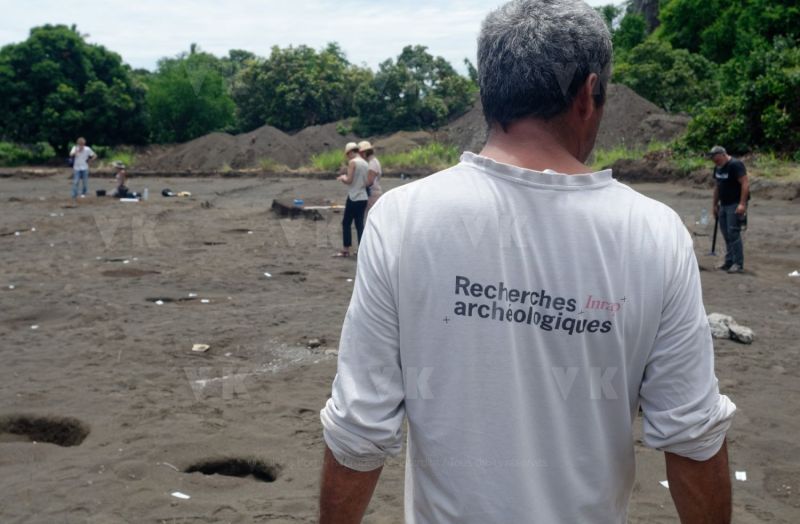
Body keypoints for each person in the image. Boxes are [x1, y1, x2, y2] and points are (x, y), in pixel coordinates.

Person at [319, 1, 736, 523]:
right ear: (588, 94)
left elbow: (359, 429)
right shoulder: (654, 233)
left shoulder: (403, 219)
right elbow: (693, 435)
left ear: (487, 93)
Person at [709, 145, 749, 273]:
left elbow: (745, 183)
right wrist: (714, 205)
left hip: (735, 204)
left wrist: (742, 204)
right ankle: (729, 261)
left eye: (717, 160)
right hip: (723, 204)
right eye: (714, 161)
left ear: (723, 154)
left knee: (733, 233)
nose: (716, 163)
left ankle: (738, 263)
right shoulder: (718, 167)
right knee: (726, 233)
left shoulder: (735, 165)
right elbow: (717, 186)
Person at [333, 142, 369, 257]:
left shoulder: (353, 162)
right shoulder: (365, 163)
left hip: (354, 196)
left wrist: (343, 178)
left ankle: (346, 249)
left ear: (351, 152)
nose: (347, 156)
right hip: (363, 196)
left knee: (346, 222)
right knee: (359, 224)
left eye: (347, 154)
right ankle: (361, 250)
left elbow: (349, 180)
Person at [358, 140, 383, 214]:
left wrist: (357, 185)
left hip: (372, 194)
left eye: (361, 153)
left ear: (365, 152)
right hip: (373, 192)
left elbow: (369, 182)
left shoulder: (372, 164)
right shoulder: (373, 161)